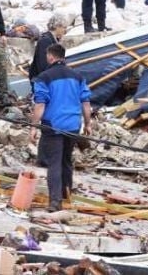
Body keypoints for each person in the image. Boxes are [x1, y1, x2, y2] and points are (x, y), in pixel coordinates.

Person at [30, 43, 92, 212]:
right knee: (66, 161)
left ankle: (55, 202)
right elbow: (85, 103)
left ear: (50, 57)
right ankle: (66, 196)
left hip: (53, 127)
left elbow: (40, 105)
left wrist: (33, 127)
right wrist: (88, 124)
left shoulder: (44, 77)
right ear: (63, 57)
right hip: (73, 126)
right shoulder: (77, 77)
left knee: (54, 163)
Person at [30, 14, 69, 87]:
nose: (65, 30)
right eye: (64, 27)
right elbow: (44, 65)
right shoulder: (45, 40)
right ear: (57, 26)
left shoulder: (53, 40)